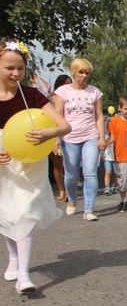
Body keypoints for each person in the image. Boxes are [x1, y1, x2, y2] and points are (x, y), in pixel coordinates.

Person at [1, 40, 71, 293]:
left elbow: (64, 126)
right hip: (3, 161)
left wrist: (48, 133)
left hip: (30, 162)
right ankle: (14, 258)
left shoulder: (32, 95)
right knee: (7, 213)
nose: (15, 73)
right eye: (9, 67)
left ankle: (24, 275)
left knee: (26, 213)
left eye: (20, 68)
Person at [54, 58, 106, 221]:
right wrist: (56, 139)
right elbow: (57, 116)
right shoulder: (62, 92)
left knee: (90, 172)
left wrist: (101, 137)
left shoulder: (94, 92)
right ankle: (72, 200)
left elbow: (99, 116)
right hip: (69, 138)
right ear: (73, 72)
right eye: (81, 72)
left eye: (87, 73)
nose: (84, 76)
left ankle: (89, 210)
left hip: (90, 136)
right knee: (71, 175)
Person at [49, 74, 72, 200]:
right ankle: (61, 190)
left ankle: (69, 191)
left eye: (69, 83)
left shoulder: (73, 96)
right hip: (54, 132)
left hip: (69, 132)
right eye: (65, 83)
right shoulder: (52, 98)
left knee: (67, 164)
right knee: (57, 164)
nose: (67, 85)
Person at [101, 111, 117, 195]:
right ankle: (107, 187)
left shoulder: (117, 136)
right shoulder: (105, 136)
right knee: (108, 172)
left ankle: (114, 186)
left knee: (116, 173)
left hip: (116, 157)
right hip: (107, 157)